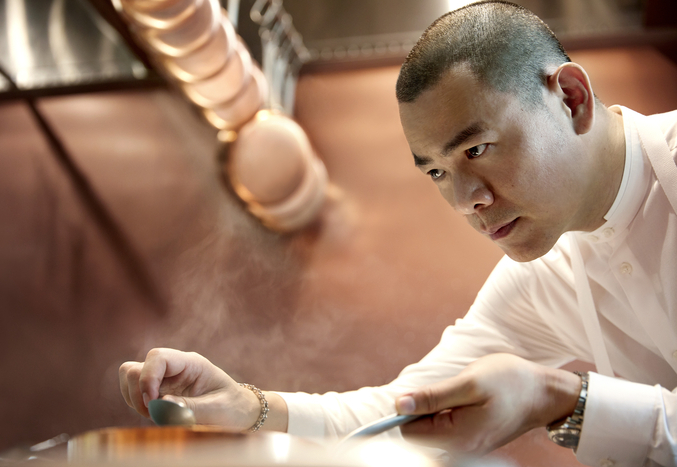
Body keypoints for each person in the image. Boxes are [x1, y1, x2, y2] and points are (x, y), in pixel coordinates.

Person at [119, 1, 677, 465]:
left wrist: (563, 400)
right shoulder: (541, 279)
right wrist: (251, 408)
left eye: (476, 149)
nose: (464, 201)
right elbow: (399, 411)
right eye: (437, 172)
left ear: (571, 98)